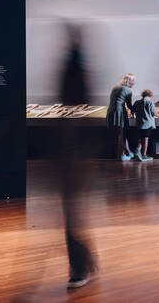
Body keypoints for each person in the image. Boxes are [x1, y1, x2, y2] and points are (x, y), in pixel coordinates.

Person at [59, 24, 98, 288]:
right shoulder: (75, 68)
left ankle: (81, 265)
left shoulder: (75, 70)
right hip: (69, 151)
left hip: (74, 153)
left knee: (71, 213)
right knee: (71, 212)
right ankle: (84, 261)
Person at [106, 73, 135, 161]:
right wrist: (134, 111)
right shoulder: (128, 90)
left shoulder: (115, 88)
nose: (134, 83)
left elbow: (115, 100)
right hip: (120, 112)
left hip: (111, 111)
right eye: (133, 81)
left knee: (118, 134)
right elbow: (129, 105)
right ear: (130, 82)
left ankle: (128, 152)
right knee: (122, 135)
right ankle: (121, 155)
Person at [132, 89, 157, 162]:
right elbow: (154, 113)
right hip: (147, 124)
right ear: (150, 95)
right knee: (145, 140)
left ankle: (137, 152)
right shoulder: (150, 102)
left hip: (139, 124)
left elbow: (132, 111)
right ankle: (144, 155)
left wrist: (134, 115)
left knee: (140, 138)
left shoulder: (137, 102)